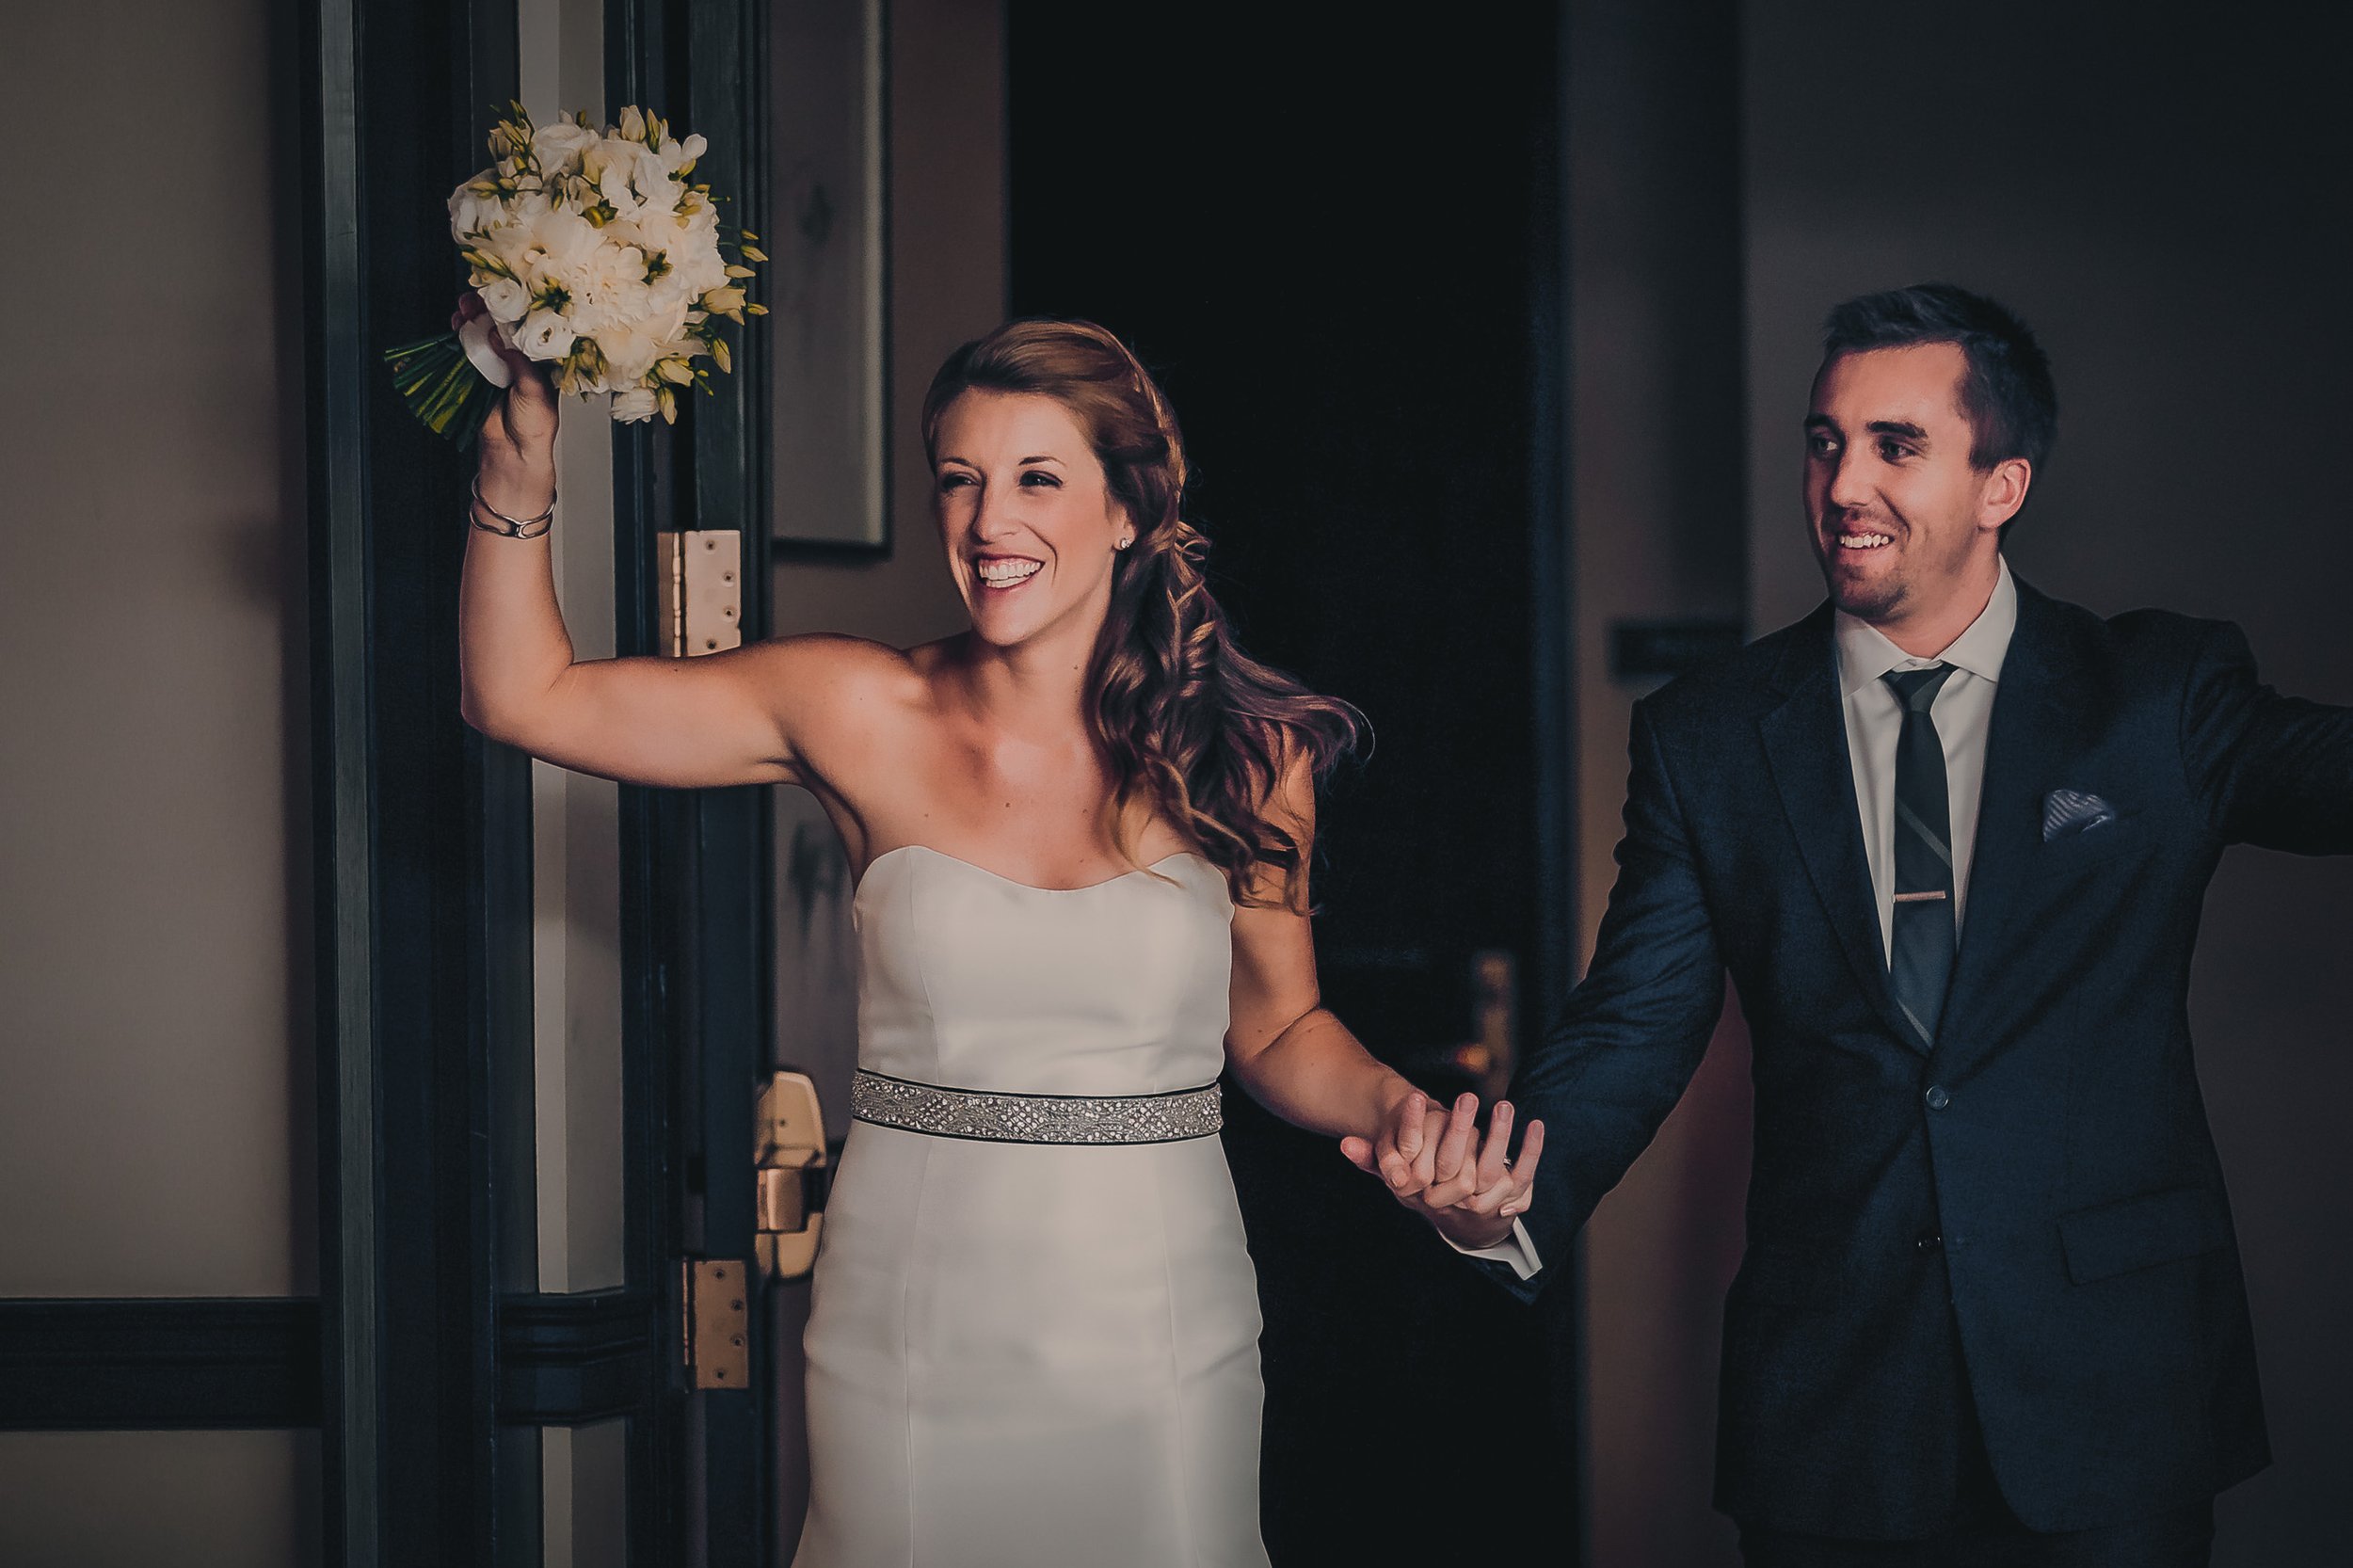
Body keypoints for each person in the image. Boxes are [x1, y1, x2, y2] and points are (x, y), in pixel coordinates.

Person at [454, 307, 1544, 1566]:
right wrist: (517, 470)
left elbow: (1282, 1028)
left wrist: (1409, 1114)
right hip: (908, 1317)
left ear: (1130, 507)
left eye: (1037, 478)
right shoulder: (858, 707)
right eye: (960, 481)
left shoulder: (1250, 753)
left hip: (1157, 1317)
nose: (987, 523)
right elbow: (520, 693)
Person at [1361, 282, 2353, 1564]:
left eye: (1898, 445)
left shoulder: (2156, 696)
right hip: (1836, 1403)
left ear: (2003, 482)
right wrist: (1506, 1195)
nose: (1842, 484)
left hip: (2113, 1385)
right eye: (1826, 441)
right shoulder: (1710, 735)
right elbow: (1634, 1024)